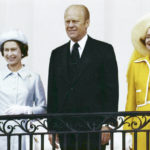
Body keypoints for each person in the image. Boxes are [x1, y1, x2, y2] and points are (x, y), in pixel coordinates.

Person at [47, 4, 119, 150]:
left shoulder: (104, 50)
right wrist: (52, 127)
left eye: (75, 21)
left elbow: (111, 90)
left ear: (87, 23)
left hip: (94, 129)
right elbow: (52, 93)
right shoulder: (57, 54)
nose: (70, 25)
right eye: (67, 21)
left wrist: (108, 123)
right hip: (65, 129)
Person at [0, 29, 47, 150]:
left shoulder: (34, 78)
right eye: (6, 50)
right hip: (1, 136)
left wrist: (27, 110)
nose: (10, 54)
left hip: (25, 136)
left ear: (22, 51)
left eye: (14, 49)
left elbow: (43, 110)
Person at [124, 14, 150, 150]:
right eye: (148, 37)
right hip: (140, 124)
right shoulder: (136, 64)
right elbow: (131, 100)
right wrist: (127, 129)